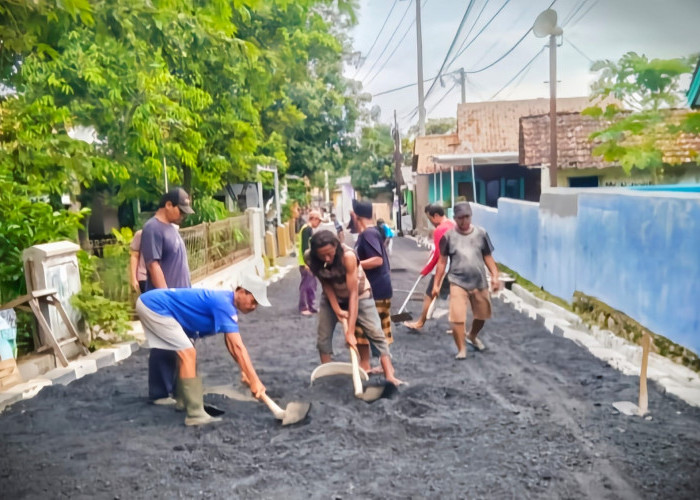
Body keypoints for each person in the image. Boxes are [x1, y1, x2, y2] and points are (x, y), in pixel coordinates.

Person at [136, 273, 271, 426]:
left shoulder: (225, 302)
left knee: (187, 353)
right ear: (241, 291)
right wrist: (255, 381)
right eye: (253, 301)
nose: (253, 307)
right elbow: (237, 346)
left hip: (155, 304)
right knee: (188, 353)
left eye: (256, 305)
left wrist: (245, 372)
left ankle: (184, 401)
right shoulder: (224, 304)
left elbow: (231, 344)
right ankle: (195, 413)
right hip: (154, 306)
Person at [305, 230, 402, 386]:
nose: (327, 259)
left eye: (329, 254)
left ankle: (390, 375)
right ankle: (326, 375)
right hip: (332, 296)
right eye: (322, 256)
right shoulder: (310, 257)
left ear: (336, 246)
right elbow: (326, 284)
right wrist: (336, 309)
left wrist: (350, 332)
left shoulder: (348, 257)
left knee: (375, 333)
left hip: (360, 295)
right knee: (323, 336)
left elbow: (353, 294)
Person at [140, 187, 194, 405]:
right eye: (180, 210)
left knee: (180, 343)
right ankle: (160, 392)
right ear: (168, 205)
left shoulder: (171, 228)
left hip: (181, 296)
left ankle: (178, 389)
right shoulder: (152, 228)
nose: (182, 215)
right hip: (165, 299)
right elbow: (153, 265)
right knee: (164, 343)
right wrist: (166, 297)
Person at [432, 202, 500, 359]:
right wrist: (436, 284)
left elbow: (488, 257)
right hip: (457, 281)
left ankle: (472, 336)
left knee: (482, 315)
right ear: (454, 218)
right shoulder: (448, 237)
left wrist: (495, 276)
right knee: (457, 317)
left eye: (467, 217)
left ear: (471, 216)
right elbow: (442, 262)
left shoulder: (481, 233)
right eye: (460, 218)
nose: (464, 221)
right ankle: (461, 349)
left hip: (479, 281)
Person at [352, 200, 393, 372]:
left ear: (357, 216)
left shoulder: (368, 234)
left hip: (375, 289)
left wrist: (354, 264)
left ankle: (372, 366)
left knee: (366, 328)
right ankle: (369, 365)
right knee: (374, 328)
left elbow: (377, 260)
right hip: (380, 287)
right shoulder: (373, 232)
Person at [403, 204, 455, 331]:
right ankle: (459, 327)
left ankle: (420, 322)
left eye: (430, 219)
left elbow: (439, 255)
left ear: (436, 216)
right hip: (457, 266)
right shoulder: (453, 225)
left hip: (447, 267)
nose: (431, 222)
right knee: (457, 296)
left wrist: (426, 270)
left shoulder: (440, 230)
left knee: (429, 294)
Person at [297, 209, 322, 316]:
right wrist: (307, 263)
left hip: (307, 262)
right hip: (305, 263)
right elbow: (305, 247)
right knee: (306, 285)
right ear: (314, 219)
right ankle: (304, 307)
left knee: (311, 285)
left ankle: (311, 306)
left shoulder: (308, 229)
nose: (319, 223)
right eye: (319, 220)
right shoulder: (307, 229)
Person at [129, 229, 147, 294]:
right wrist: (134, 278)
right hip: (144, 276)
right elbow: (134, 256)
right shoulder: (140, 234)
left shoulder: (170, 232)